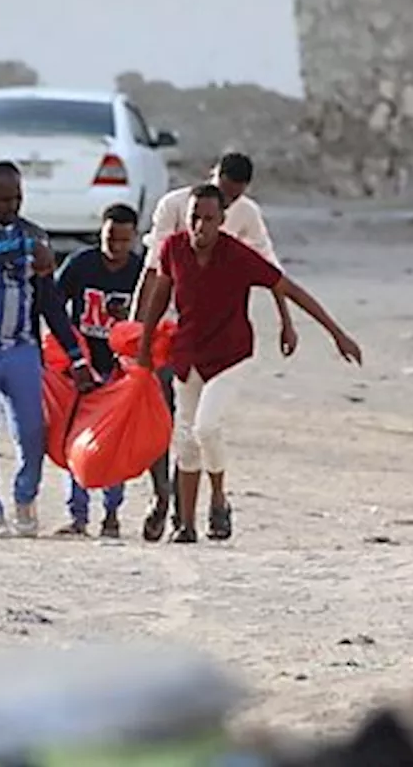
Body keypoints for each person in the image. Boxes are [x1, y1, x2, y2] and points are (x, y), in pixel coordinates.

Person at [135, 183, 362, 544]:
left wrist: (336, 333)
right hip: (188, 354)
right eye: (195, 218)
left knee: (206, 427)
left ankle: (219, 499)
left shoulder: (238, 255)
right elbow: (159, 297)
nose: (200, 227)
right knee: (185, 439)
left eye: (209, 219)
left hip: (230, 356)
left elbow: (288, 288)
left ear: (222, 221)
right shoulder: (173, 249)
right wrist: (144, 346)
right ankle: (186, 524)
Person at [132, 152, 293, 542]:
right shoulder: (175, 205)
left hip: (217, 332)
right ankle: (163, 499)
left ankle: (202, 505)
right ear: (211, 176)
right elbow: (153, 271)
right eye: (222, 189)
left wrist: (285, 320)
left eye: (232, 198)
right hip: (172, 329)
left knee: (198, 426)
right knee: (166, 418)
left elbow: (271, 271)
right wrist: (138, 331)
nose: (224, 201)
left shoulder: (246, 215)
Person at [0, 161, 94, 540]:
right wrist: (26, 249)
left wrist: (75, 355)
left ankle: (25, 498)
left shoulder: (34, 234)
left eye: (17, 198)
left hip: (22, 350)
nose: (11, 206)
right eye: (3, 198)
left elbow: (50, 304)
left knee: (32, 432)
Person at [51, 202, 143, 539]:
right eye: (109, 238)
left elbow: (152, 318)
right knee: (76, 440)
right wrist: (68, 355)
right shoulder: (82, 264)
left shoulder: (139, 270)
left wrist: (128, 319)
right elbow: (54, 303)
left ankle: (112, 512)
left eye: (122, 240)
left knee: (113, 444)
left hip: (119, 371)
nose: (114, 247)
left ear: (133, 239)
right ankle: (77, 515)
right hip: (83, 368)